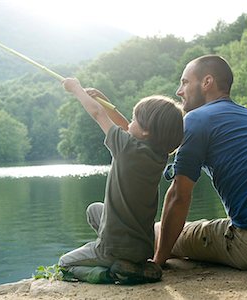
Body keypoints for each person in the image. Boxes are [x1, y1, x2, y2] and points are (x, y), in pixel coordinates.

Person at [152, 55, 247, 270]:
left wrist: (158, 261)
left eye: (185, 82)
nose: (179, 91)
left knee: (157, 231)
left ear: (207, 82)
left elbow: (179, 195)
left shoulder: (195, 119)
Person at [59, 78, 184, 283]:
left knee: (65, 263)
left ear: (145, 131)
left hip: (113, 247)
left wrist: (76, 89)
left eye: (134, 119)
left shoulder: (126, 148)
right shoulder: (159, 155)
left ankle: (108, 270)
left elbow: (97, 114)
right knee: (94, 210)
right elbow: (128, 128)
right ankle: (138, 265)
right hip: (142, 248)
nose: (129, 123)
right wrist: (104, 100)